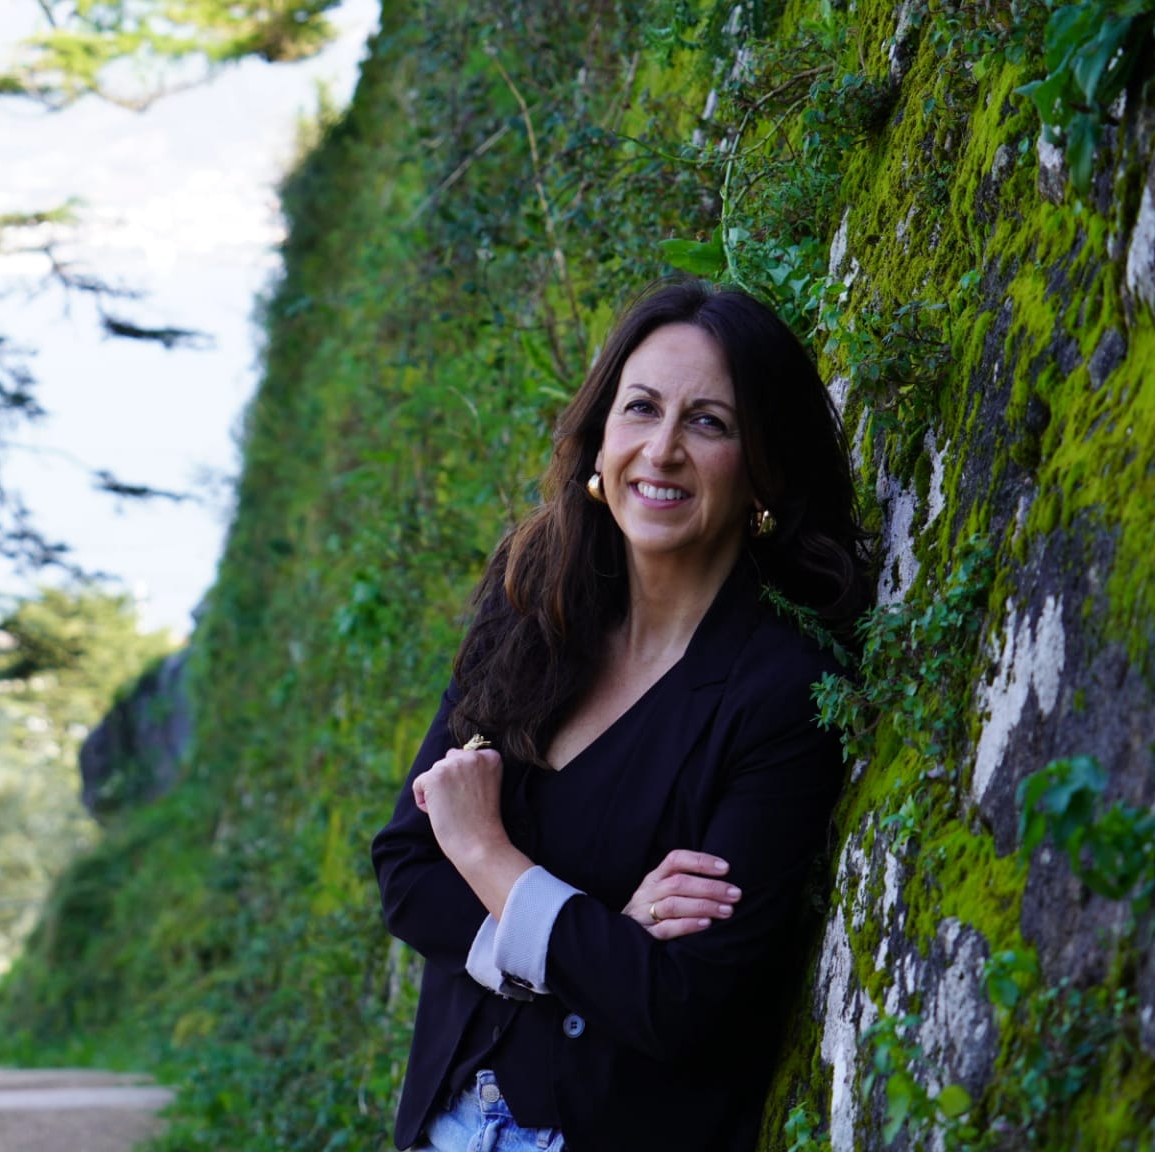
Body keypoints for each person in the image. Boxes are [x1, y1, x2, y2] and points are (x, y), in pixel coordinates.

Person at [371, 278, 872, 1152]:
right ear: (601, 438)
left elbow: (677, 1004)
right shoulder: (527, 611)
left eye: (709, 422)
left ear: (766, 469)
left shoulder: (782, 694)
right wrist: (593, 938)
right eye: (641, 408)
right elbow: (408, 867)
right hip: (443, 1123)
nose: (663, 449)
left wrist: (488, 854)